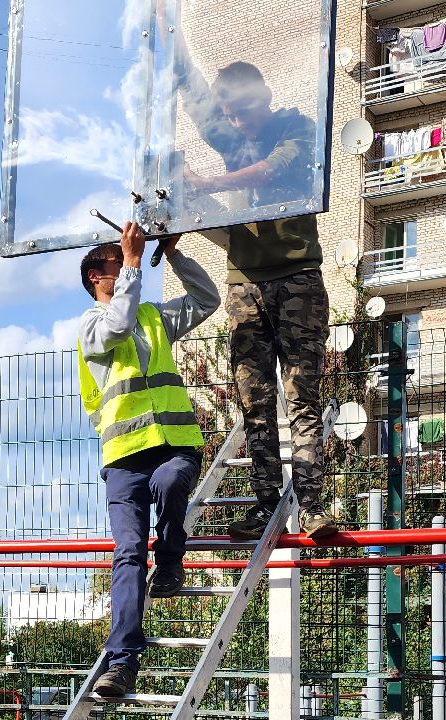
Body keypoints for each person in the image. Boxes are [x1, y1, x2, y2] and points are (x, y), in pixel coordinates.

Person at [179, 58, 341, 543]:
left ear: (263, 98)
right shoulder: (230, 131)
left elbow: (273, 171)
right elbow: (193, 95)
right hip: (243, 282)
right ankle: (265, 504)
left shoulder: (297, 126)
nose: (235, 123)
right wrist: (168, 29)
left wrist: (206, 184)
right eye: (228, 115)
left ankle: (311, 507)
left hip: (296, 279)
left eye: (242, 113)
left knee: (301, 399)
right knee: (254, 401)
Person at [76, 221, 220, 699]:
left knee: (172, 482)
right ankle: (122, 661)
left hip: (173, 445)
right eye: (118, 260)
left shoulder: (154, 318)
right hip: (123, 459)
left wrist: (174, 256)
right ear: (99, 277)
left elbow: (206, 300)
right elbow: (117, 323)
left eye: (127, 257)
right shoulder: (91, 326)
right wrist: (134, 263)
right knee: (128, 552)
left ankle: (173, 559)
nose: (127, 260)